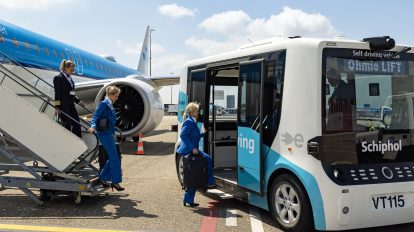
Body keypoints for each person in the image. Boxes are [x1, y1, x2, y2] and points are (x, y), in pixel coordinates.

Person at [177, 102, 215, 207]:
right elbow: (183, 135)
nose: (199, 112)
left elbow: (194, 136)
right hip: (189, 151)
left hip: (192, 150)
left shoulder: (193, 121)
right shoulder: (189, 122)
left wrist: (202, 133)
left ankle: (188, 200)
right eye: (197, 110)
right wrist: (192, 148)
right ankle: (209, 181)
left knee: (193, 176)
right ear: (192, 112)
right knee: (207, 160)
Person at [88, 86, 124, 191]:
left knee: (114, 157)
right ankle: (116, 182)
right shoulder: (104, 104)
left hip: (109, 134)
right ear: (111, 95)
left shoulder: (110, 104)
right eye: (116, 96)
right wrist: (93, 126)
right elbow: (95, 116)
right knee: (114, 157)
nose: (117, 98)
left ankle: (103, 178)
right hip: (104, 134)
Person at [53, 59, 84, 138]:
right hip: (63, 107)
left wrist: (78, 101)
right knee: (68, 125)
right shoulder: (58, 78)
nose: (73, 71)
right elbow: (57, 94)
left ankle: (77, 141)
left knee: (77, 124)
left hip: (71, 106)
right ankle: (69, 143)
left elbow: (72, 93)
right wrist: (57, 107)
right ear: (66, 68)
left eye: (74, 69)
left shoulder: (70, 79)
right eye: (71, 69)